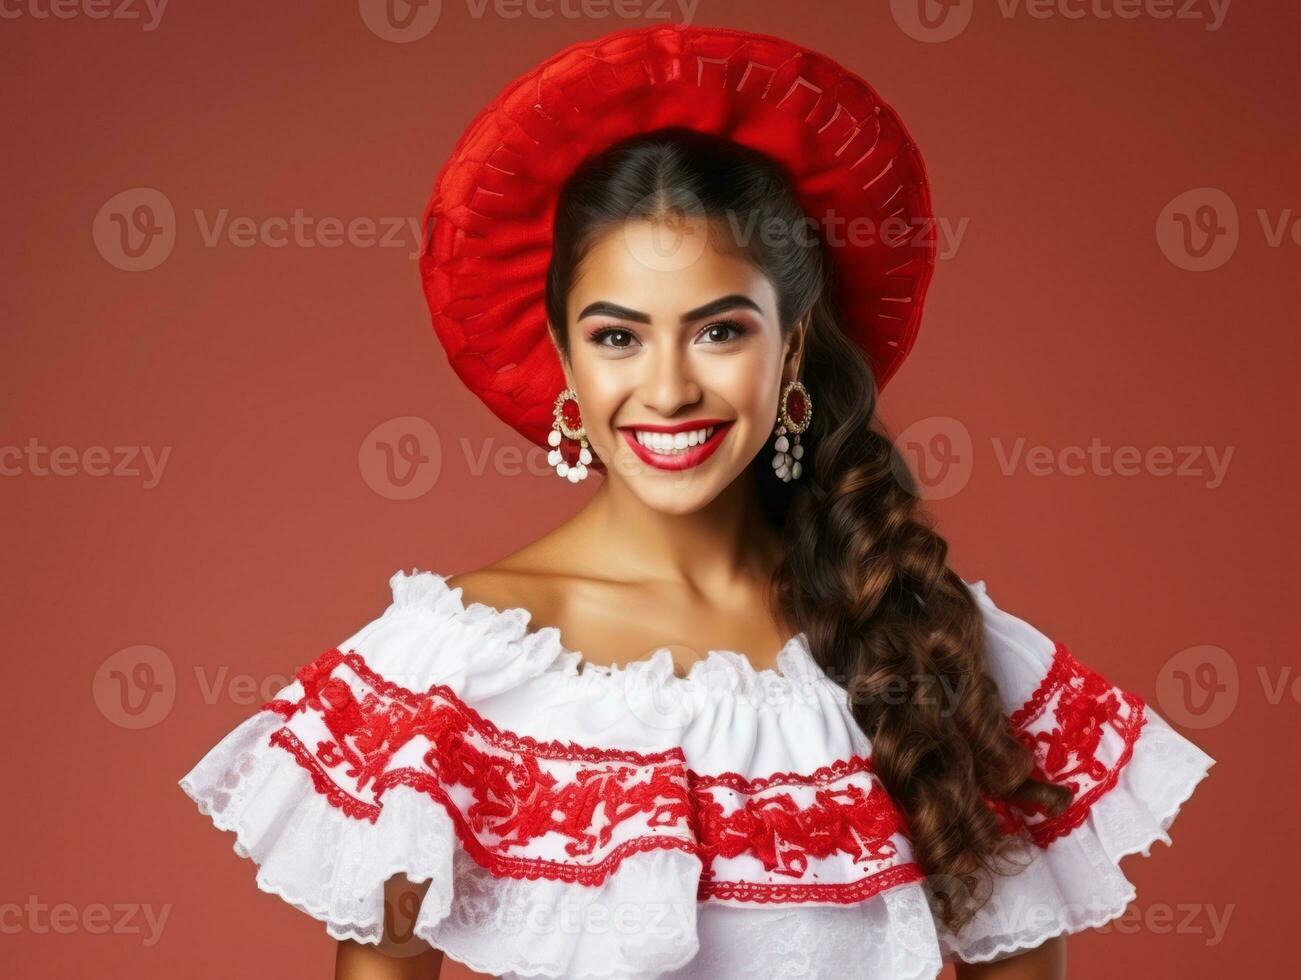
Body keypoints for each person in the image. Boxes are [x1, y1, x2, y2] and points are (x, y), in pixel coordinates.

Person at [178, 25, 1214, 980]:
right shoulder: (443, 670)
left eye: (719, 330)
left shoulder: (923, 633)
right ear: (564, 359)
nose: (668, 387)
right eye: (617, 335)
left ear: (791, 343)